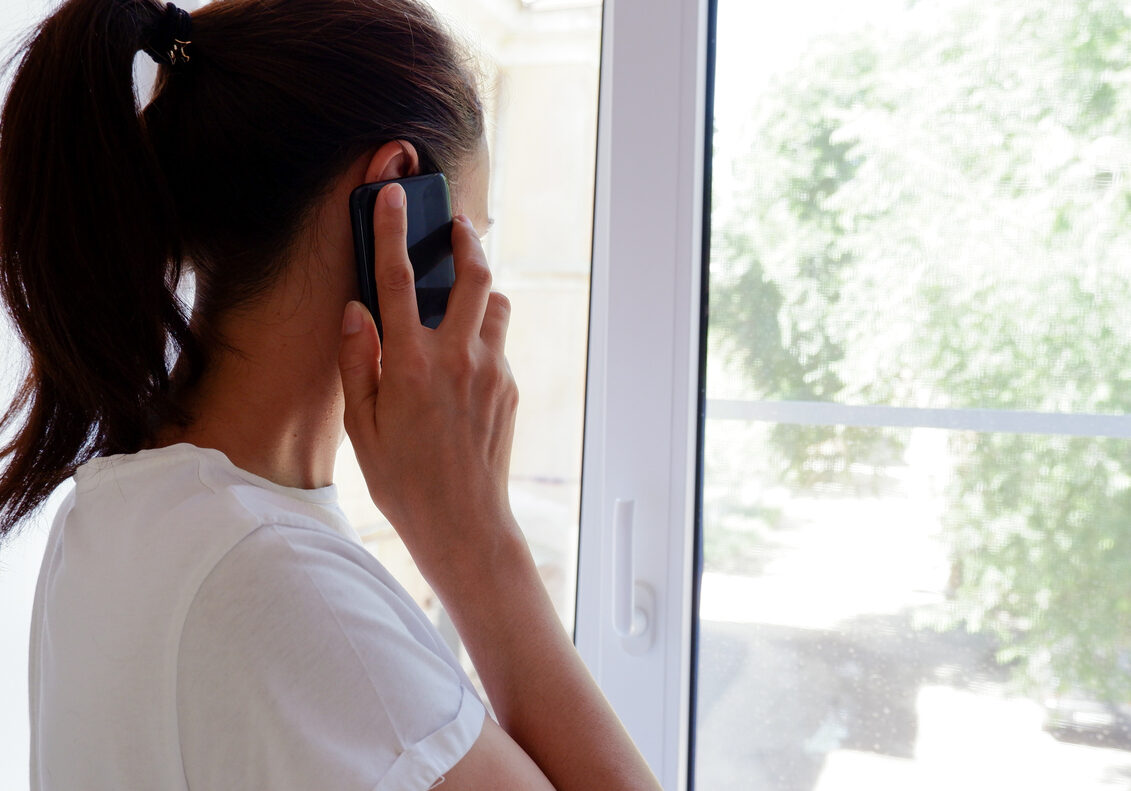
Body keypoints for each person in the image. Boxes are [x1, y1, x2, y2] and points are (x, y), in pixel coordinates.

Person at [0, 0, 663, 788]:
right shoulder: (278, 585)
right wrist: (477, 538)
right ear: (396, 195)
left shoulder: (112, 512)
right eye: (471, 232)